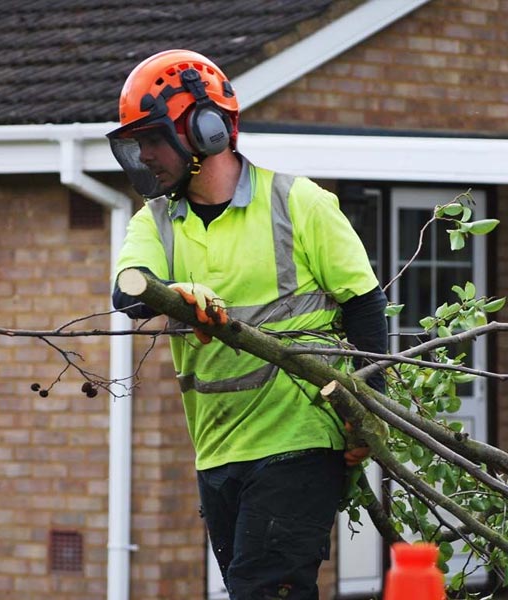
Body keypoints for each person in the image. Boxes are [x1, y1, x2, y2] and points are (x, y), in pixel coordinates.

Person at [108, 49, 387, 600]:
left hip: (299, 437)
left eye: (151, 138)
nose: (143, 154)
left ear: (205, 129)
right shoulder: (156, 222)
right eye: (135, 142)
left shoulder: (299, 203)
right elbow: (128, 292)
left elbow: (365, 306)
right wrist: (179, 295)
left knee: (261, 589)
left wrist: (366, 417)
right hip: (215, 447)